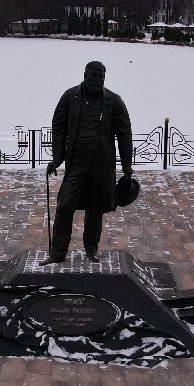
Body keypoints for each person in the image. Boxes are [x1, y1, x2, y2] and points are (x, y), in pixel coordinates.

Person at [44, 60, 132, 263]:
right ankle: (57, 253)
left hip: (101, 168)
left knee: (96, 209)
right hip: (76, 165)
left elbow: (124, 134)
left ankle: (91, 249)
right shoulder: (70, 97)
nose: (98, 80)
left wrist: (127, 166)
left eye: (101, 76)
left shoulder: (113, 101)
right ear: (85, 76)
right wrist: (57, 159)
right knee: (65, 205)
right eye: (94, 76)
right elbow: (58, 128)